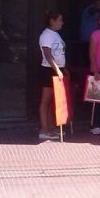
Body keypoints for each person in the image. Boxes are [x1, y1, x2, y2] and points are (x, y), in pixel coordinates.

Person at [38, 11, 69, 140]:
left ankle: (51, 127)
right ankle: (44, 129)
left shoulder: (56, 35)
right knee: (46, 100)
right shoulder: (46, 35)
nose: (62, 23)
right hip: (49, 70)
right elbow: (47, 54)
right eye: (60, 20)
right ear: (52, 20)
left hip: (58, 70)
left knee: (52, 101)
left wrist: (64, 68)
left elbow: (59, 53)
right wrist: (57, 69)